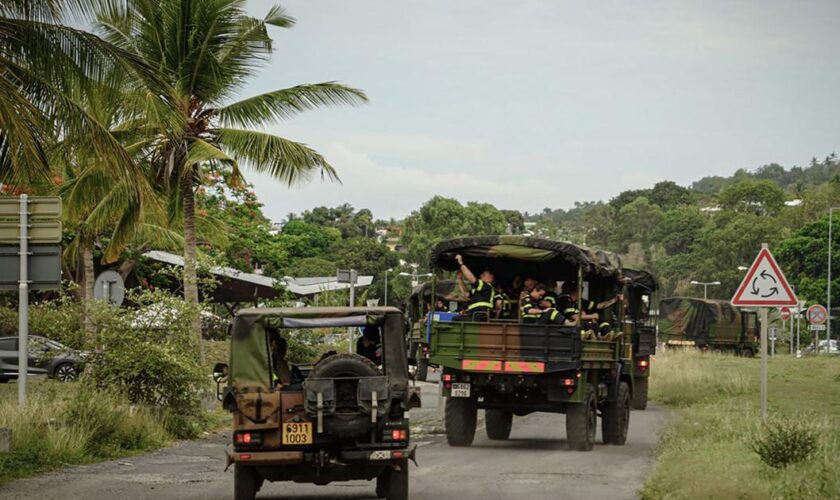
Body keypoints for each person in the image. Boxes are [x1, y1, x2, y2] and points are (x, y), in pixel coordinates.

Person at [454, 254, 496, 320]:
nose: (481, 276)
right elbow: (466, 294)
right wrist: (459, 279)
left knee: (456, 319)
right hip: (475, 314)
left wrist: (461, 263)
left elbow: (472, 279)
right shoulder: (478, 289)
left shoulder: (487, 286)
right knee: (456, 318)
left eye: (484, 275)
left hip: (481, 314)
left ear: (491, 278)